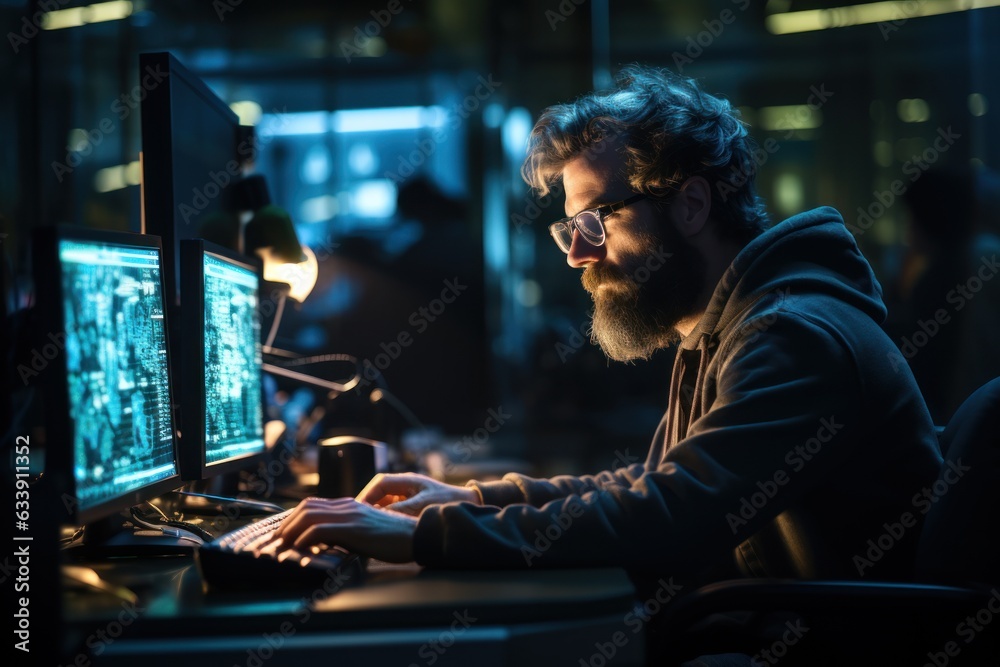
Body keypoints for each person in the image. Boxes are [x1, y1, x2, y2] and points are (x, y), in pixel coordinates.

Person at [268, 64, 941, 627]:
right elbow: (653, 486)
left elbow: (672, 518)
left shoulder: (792, 334)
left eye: (594, 220)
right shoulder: (729, 322)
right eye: (570, 229)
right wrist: (470, 500)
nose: (577, 255)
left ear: (692, 204)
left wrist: (424, 535)